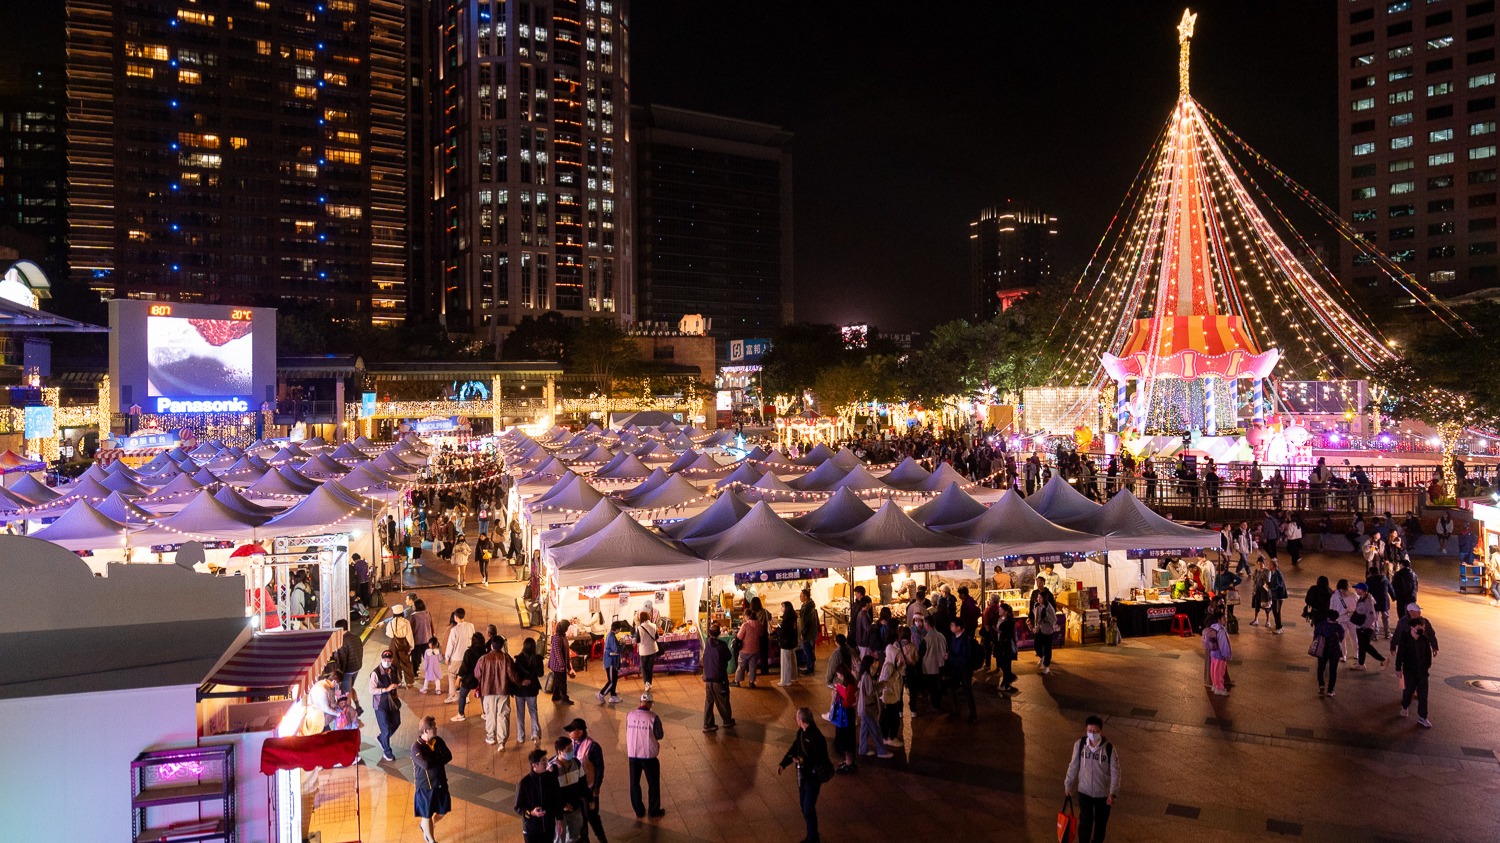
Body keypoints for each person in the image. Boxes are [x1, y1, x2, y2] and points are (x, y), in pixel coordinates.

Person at [779, 707, 833, 843]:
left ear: (801, 721)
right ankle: (812, 834)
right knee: (804, 806)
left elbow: (821, 758)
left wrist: (804, 761)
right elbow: (794, 748)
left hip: (813, 778)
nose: (796, 720)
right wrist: (783, 763)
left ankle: (813, 838)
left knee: (808, 807)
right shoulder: (801, 733)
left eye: (797, 718)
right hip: (803, 776)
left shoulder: (816, 737)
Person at [1065, 715, 1120, 843]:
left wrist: (1113, 793)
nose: (1092, 734)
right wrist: (1068, 784)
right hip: (1085, 791)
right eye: (1089, 730)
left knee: (1100, 825)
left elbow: (1116, 772)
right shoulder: (1080, 745)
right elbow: (1073, 766)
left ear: (1101, 731)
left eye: (1095, 731)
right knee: (1085, 822)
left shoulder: (1109, 749)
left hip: (1103, 794)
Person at [564, 719, 609, 843]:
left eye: (571, 731)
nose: (569, 733)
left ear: (580, 732)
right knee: (580, 820)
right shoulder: (571, 744)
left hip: (589, 788)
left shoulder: (592, 747)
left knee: (592, 816)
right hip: (575, 790)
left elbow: (599, 768)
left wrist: (596, 787)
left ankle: (602, 839)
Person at [412, 716, 453, 843]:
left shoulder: (438, 741)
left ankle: (426, 826)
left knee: (443, 810)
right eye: (433, 727)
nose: (436, 728)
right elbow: (426, 765)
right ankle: (430, 839)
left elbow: (448, 756)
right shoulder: (416, 747)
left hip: (440, 783)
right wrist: (438, 758)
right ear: (426, 730)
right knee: (427, 814)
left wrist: (434, 759)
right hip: (426, 788)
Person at [625, 693, 666, 819]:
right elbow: (659, 735)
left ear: (640, 702)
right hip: (649, 755)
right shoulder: (653, 717)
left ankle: (639, 810)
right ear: (650, 703)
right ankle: (653, 810)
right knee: (653, 784)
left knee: (634, 783)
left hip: (633, 754)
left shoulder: (629, 715)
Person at [474, 637, 517, 749]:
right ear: (501, 646)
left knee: (490, 715)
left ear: (491, 646)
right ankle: (501, 742)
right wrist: (519, 683)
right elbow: (512, 675)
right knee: (503, 715)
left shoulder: (483, 659)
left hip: (488, 691)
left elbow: (477, 674)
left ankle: (491, 737)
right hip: (503, 690)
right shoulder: (506, 658)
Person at [1395, 617, 1436, 727]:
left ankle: (1423, 717)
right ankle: (1405, 706)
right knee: (1408, 692)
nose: (1421, 630)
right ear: (1412, 628)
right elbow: (1400, 655)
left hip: (1422, 672)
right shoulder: (1405, 639)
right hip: (1409, 672)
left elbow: (1428, 654)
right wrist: (1398, 668)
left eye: (1423, 628)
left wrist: (1427, 666)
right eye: (1419, 628)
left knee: (1423, 695)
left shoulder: (1424, 639)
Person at [516, 749, 563, 843]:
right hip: (531, 830)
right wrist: (531, 812)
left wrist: (559, 819)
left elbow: (557, 800)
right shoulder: (524, 783)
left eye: (546, 760)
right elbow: (518, 807)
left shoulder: (551, 779)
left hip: (549, 827)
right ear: (534, 765)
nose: (546, 763)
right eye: (543, 761)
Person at [549, 736, 588, 843]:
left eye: (572, 748)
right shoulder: (552, 769)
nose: (572, 751)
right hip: (559, 812)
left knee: (575, 836)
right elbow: (550, 793)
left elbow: (583, 783)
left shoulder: (576, 763)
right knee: (559, 838)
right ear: (559, 752)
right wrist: (562, 805)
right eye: (568, 750)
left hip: (575, 808)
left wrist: (588, 799)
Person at [855, 654, 892, 759]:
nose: (874, 666)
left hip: (864, 707)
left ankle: (863, 749)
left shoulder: (863, 675)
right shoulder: (867, 676)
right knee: (876, 730)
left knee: (864, 730)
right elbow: (870, 692)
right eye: (873, 664)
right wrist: (881, 685)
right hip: (868, 708)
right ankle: (882, 751)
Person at [701, 623, 736, 732]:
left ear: (709, 633)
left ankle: (707, 724)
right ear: (719, 633)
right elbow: (728, 656)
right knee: (723, 700)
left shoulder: (707, 643)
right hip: (719, 677)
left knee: (709, 701)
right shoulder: (721, 645)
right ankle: (727, 720)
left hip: (708, 678)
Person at [369, 649, 402, 761]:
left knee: (396, 722)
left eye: (389, 660)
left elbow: (397, 680)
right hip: (380, 704)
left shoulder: (394, 669)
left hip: (393, 701)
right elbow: (371, 690)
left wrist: (397, 685)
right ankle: (387, 752)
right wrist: (386, 689)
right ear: (381, 659)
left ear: (392, 660)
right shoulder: (376, 673)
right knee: (386, 728)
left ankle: (381, 738)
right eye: (385, 660)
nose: (387, 662)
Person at [513, 636, 544, 747]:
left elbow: (514, 674)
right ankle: (535, 734)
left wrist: (521, 682)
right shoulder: (538, 659)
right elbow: (540, 674)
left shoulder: (518, 659)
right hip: (532, 689)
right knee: (533, 712)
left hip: (520, 690)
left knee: (520, 713)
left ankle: (520, 736)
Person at [1349, 583, 1387, 670]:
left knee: (1366, 646)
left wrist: (1365, 626)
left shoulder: (1368, 601)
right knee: (1362, 646)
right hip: (1361, 626)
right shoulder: (1362, 598)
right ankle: (1361, 663)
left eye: (1357, 589)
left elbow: (1372, 616)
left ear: (1362, 590)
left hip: (1365, 628)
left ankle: (1382, 659)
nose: (1355, 590)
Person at [451, 631, 486, 721]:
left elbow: (464, 667)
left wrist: (459, 677)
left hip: (469, 679)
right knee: (483, 696)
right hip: (481, 678)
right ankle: (485, 712)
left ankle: (461, 714)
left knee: (462, 696)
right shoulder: (484, 652)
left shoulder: (469, 652)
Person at [331, 618, 364, 713]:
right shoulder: (356, 637)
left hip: (348, 671)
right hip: (357, 667)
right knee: (350, 687)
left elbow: (343, 660)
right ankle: (357, 706)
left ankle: (348, 714)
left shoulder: (342, 642)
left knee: (346, 693)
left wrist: (340, 675)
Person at [443, 608, 475, 702]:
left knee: (452, 675)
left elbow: (450, 645)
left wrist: (447, 657)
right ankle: (466, 696)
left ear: (456, 617)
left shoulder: (454, 630)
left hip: (456, 658)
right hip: (468, 657)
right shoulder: (470, 626)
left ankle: (453, 695)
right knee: (466, 676)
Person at [831, 664, 858, 773]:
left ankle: (849, 763)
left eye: (838, 674)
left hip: (846, 716)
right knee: (847, 738)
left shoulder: (850, 685)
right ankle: (848, 761)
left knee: (846, 739)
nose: (838, 676)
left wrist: (839, 691)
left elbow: (847, 702)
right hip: (847, 714)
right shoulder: (850, 683)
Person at [1313, 610, 1346, 698]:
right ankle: (1330, 690)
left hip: (1323, 649)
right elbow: (1341, 637)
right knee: (1333, 670)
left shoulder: (1322, 625)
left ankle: (1321, 685)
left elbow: (1316, 634)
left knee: (1321, 667)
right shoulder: (1339, 627)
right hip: (1334, 650)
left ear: (1327, 617)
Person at [597, 620, 627, 704]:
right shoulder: (611, 637)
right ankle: (601, 694)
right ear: (617, 629)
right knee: (612, 681)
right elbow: (616, 649)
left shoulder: (611, 635)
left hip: (612, 661)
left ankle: (613, 696)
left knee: (614, 679)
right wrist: (623, 644)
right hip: (610, 662)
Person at [386, 603, 415, 686]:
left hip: (393, 645)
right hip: (404, 644)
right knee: (406, 663)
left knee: (395, 664)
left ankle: (398, 681)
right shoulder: (406, 622)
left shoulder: (391, 623)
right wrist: (411, 647)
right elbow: (409, 636)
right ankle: (409, 682)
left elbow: (389, 634)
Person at [548, 619, 577, 706]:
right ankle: (564, 699)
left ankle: (556, 696)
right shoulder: (557, 638)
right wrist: (563, 667)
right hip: (557, 666)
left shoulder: (563, 636)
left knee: (558, 681)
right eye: (567, 627)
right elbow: (558, 654)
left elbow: (566, 652)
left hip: (561, 665)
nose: (568, 629)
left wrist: (569, 666)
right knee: (562, 682)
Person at [734, 609, 764, 688]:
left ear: (747, 616)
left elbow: (739, 637)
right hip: (755, 649)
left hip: (744, 649)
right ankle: (751, 682)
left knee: (741, 665)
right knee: (753, 666)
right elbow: (761, 634)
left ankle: (737, 681)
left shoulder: (745, 625)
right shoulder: (759, 624)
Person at [1031, 587, 1058, 675]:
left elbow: (1054, 619)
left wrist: (1046, 615)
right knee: (1036, 645)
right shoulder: (1036, 606)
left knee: (1047, 648)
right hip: (1039, 628)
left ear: (1044, 598)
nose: (1038, 599)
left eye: (1040, 597)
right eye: (1038, 597)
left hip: (1048, 629)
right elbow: (1036, 618)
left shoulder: (1049, 607)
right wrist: (1035, 626)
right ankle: (1042, 656)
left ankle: (1046, 666)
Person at [1202, 612, 1230, 695]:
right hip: (1220, 655)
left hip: (1213, 653)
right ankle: (1219, 688)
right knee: (1220, 672)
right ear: (1219, 620)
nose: (1226, 620)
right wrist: (1226, 655)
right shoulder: (1221, 630)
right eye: (1224, 618)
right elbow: (1223, 644)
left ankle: (1215, 685)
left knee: (1214, 670)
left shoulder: (1213, 627)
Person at [995, 602, 1019, 693]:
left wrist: (1001, 632)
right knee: (1002, 663)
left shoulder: (1009, 621)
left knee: (1006, 664)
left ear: (1005, 611)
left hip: (1006, 645)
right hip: (1000, 643)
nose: (999, 610)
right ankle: (1010, 677)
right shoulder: (999, 619)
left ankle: (1005, 684)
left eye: (1001, 609)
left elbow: (1009, 634)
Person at [635, 611, 660, 691]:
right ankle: (650, 683)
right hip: (653, 649)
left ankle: (647, 683)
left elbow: (637, 640)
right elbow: (657, 637)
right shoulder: (654, 626)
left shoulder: (639, 628)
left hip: (644, 651)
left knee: (643, 667)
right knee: (650, 667)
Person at [798, 588, 819, 675]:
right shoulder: (808, 605)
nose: (800, 597)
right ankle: (809, 666)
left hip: (808, 633)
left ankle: (810, 668)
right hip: (810, 632)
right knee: (809, 650)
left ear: (805, 597)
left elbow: (806, 621)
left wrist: (803, 633)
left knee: (807, 650)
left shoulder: (808, 607)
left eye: (801, 596)